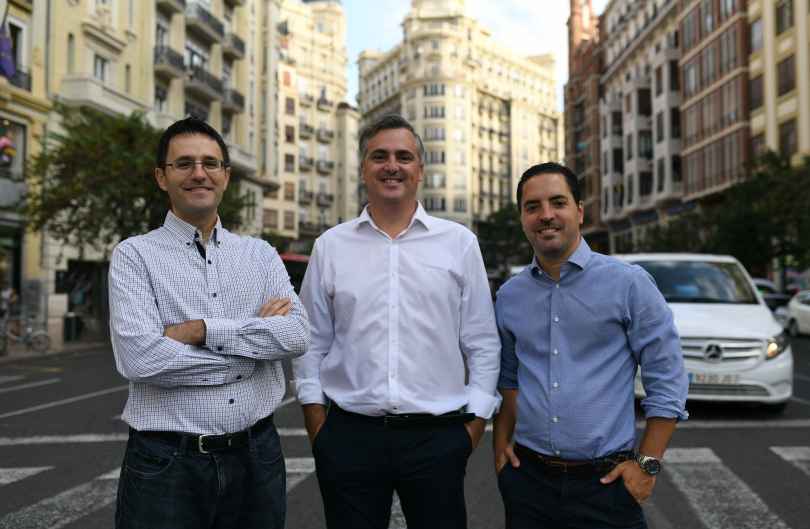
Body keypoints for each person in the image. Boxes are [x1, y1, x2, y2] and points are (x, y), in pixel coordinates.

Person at [292, 114, 501, 529]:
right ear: (363, 169)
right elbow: (310, 340)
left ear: (420, 170)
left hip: (438, 437)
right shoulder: (331, 246)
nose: (392, 166)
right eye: (380, 156)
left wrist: (474, 425)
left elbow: (481, 339)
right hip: (350, 436)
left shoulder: (459, 243)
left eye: (404, 157)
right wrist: (318, 425)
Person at [108, 117, 310, 529]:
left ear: (226, 176)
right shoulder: (134, 256)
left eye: (210, 163)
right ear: (161, 177)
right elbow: (141, 359)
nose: (199, 173)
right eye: (184, 164)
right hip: (167, 464)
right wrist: (253, 353)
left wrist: (201, 331)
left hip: (257, 457)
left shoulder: (261, 254)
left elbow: (297, 335)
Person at [493, 162, 688, 529]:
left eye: (558, 202)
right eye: (532, 206)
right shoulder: (509, 296)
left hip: (606, 486)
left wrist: (647, 464)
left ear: (579, 211)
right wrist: (500, 451)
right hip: (528, 483)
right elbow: (509, 377)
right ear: (522, 218)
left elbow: (668, 377)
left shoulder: (628, 284)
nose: (546, 215)